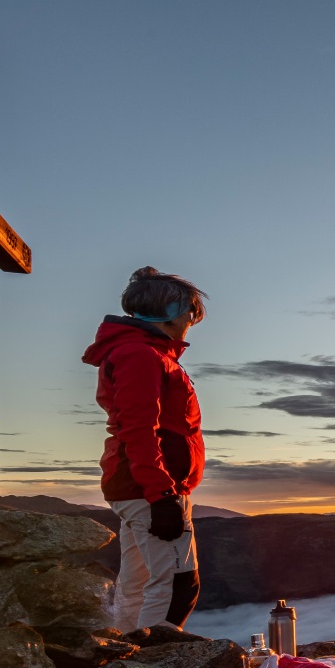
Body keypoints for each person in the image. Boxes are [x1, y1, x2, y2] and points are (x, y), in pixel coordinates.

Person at [82, 266, 207, 634]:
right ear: (169, 312)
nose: (191, 320)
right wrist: (162, 495)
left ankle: (129, 659)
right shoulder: (141, 355)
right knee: (176, 584)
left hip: (139, 484)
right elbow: (139, 428)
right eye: (189, 311)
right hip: (151, 486)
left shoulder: (145, 353)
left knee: (139, 581)